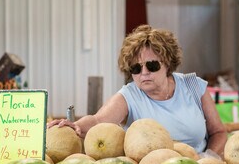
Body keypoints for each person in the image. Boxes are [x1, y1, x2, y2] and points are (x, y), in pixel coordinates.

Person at [48, 25, 227, 156]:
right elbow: (98, 121)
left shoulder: (193, 85)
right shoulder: (129, 96)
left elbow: (218, 132)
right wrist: (76, 126)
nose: (144, 73)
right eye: (136, 68)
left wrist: (208, 158)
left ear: (167, 63)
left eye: (152, 65)